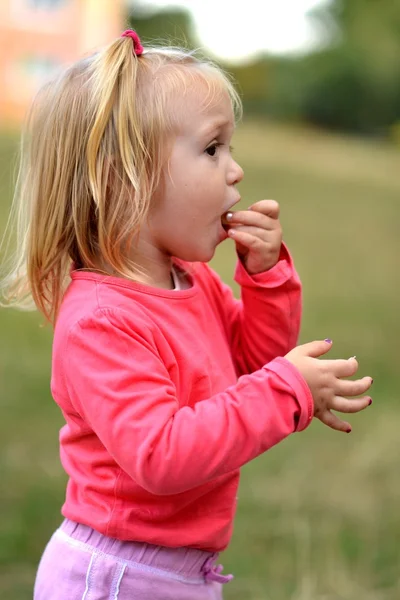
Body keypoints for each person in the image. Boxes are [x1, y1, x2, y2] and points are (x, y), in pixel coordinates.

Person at [0, 29, 373, 600]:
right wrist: (285, 392)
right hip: (118, 576)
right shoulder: (101, 319)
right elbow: (161, 454)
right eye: (211, 148)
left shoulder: (192, 281)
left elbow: (251, 366)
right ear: (124, 180)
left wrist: (267, 279)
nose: (236, 171)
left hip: (177, 571)